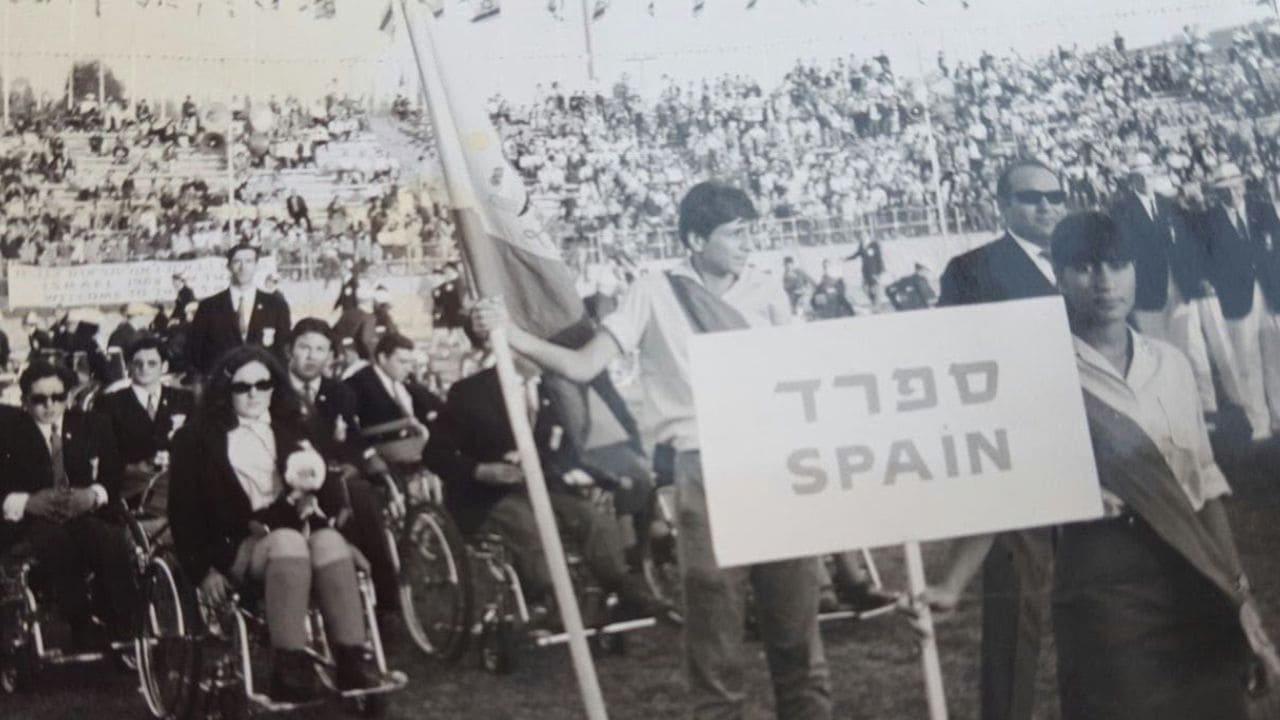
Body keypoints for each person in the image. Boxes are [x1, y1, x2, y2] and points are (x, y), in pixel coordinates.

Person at [475, 180, 830, 719]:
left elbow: (801, 376)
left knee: (797, 640)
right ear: (694, 238)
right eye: (735, 234)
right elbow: (582, 366)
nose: (747, 244)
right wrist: (509, 334)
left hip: (772, 466)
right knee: (716, 646)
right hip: (702, 469)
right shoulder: (653, 291)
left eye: (750, 232)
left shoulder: (767, 290)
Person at [1047, 210, 1280, 719]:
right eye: (1086, 268)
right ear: (1058, 276)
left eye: (1117, 264)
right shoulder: (1042, 371)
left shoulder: (1170, 363)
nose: (1105, 283)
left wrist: (1239, 592)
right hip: (1106, 581)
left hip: (1193, 571)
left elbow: (1203, 485)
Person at [926, 159, 1067, 720]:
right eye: (1033, 198)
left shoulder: (1084, 264)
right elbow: (951, 356)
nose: (1048, 207)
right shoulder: (973, 269)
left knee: (1103, 608)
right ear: (1003, 206)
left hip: (1098, 455)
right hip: (1020, 451)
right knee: (1015, 614)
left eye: (1056, 196)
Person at [168, 346, 380, 702]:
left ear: (274, 387)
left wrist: (343, 533)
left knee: (328, 541)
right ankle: (289, 665)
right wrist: (203, 570)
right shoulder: (195, 439)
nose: (253, 393)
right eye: (242, 387)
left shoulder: (294, 427)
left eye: (262, 384)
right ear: (225, 390)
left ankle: (350, 659)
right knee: (288, 542)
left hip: (296, 532)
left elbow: (327, 485)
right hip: (239, 542)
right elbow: (183, 512)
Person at [0, 362, 133, 650]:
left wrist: (93, 494)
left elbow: (113, 473)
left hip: (81, 512)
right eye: (39, 399)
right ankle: (80, 624)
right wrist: (26, 501)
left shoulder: (93, 425)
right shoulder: (8, 433)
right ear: (24, 402)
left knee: (110, 540)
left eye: (57, 397)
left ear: (69, 397)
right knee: (57, 543)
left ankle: (125, 628)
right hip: (32, 520)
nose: (50, 405)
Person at [287, 318, 401, 613]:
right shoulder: (275, 393)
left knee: (362, 495)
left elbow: (352, 438)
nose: (312, 356)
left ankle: (384, 596)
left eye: (320, 350)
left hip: (336, 473)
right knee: (351, 496)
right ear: (290, 350)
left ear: (331, 356)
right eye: (305, 348)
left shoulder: (340, 393)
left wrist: (355, 462)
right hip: (292, 475)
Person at [1112, 154, 1220, 419]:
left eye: (1150, 174)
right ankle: (1173, 409)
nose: (1147, 179)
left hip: (1179, 285)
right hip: (1147, 291)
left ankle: (1207, 406)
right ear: (1132, 180)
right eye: (1141, 175)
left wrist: (1198, 276)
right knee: (1158, 352)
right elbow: (1123, 249)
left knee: (1193, 346)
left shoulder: (1167, 204)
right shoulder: (1122, 210)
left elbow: (1189, 238)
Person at [1202, 163, 1280, 442]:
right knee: (1248, 361)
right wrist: (1224, 281)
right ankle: (1258, 422)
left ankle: (1278, 416)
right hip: (1237, 298)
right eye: (1225, 190)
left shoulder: (1263, 210)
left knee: (1275, 357)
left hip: (1271, 293)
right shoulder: (1209, 221)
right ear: (1217, 193)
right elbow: (1207, 262)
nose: (1232, 193)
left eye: (1236, 186)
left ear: (1244, 186)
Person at [97, 337, 193, 508]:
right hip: (130, 489)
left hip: (178, 485)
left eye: (152, 363)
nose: (144, 368)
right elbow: (104, 453)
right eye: (138, 363)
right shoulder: (110, 404)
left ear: (164, 366)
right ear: (128, 366)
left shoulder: (184, 399)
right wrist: (132, 468)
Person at [186, 244, 292, 377]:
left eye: (249, 261)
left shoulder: (276, 305)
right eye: (237, 261)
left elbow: (283, 351)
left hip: (263, 386)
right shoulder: (208, 306)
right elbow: (196, 352)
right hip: (221, 388)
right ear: (228, 266)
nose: (243, 267)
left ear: (256, 266)